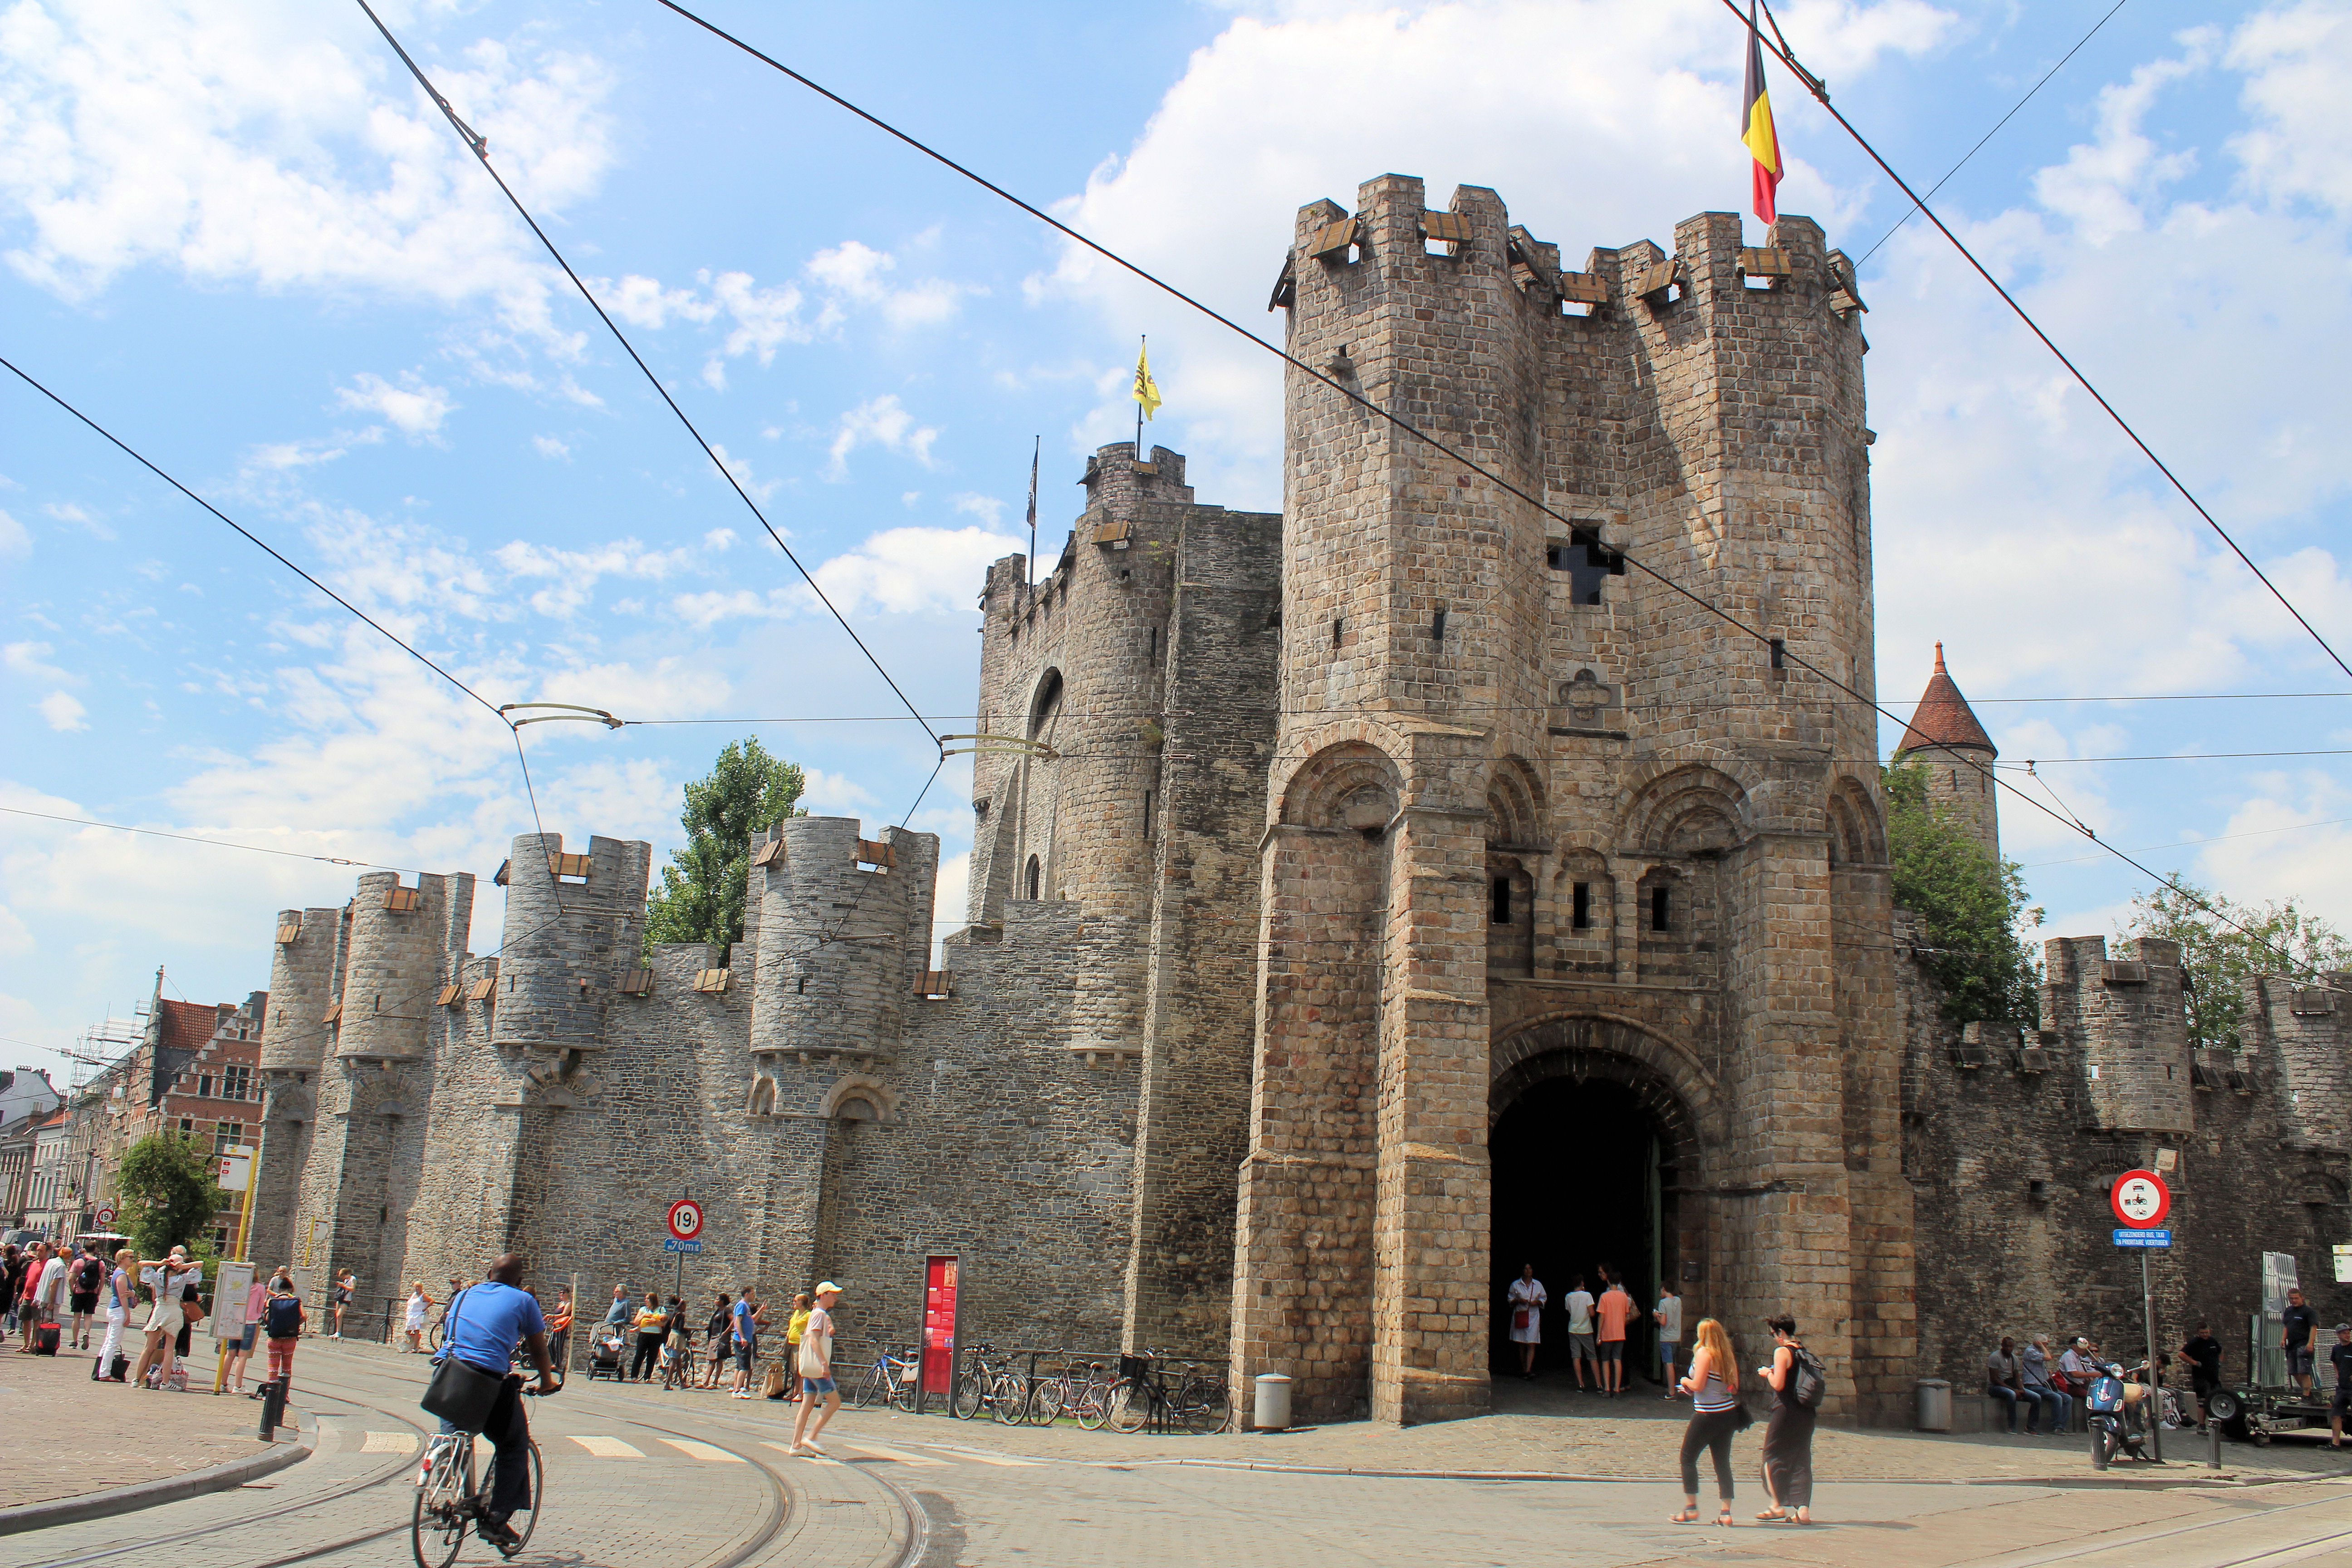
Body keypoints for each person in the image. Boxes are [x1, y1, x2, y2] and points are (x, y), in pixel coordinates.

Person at [431, 1254, 559, 1553]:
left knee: (456, 1435)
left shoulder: (463, 1295)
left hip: (448, 1374)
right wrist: (548, 1381)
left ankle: (448, 1481)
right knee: (514, 1443)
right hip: (487, 1379)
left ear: (489, 1273)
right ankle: (497, 1517)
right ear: (519, 1281)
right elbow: (539, 1351)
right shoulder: (523, 1300)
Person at [1669, 1317, 1743, 1527]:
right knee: (1722, 1463)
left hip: (1707, 1415)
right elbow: (1734, 1388)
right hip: (1728, 1414)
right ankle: (1726, 1513)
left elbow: (1698, 1385)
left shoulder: (1704, 1353)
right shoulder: (1727, 1355)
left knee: (1687, 1457)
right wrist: (1719, 1388)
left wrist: (1685, 1381)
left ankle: (1691, 1508)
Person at [1754, 1314, 1815, 1525]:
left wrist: (1767, 1373)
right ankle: (1803, 1510)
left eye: (1774, 1334)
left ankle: (1776, 1505)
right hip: (1806, 1412)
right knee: (1801, 1459)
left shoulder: (1782, 1351)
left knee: (1771, 1456)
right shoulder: (1803, 1351)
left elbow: (1779, 1384)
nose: (1774, 1339)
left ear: (1781, 1333)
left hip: (1786, 1411)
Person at [789, 1281, 845, 1454]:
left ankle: (796, 1445)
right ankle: (811, 1437)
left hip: (811, 1367)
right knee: (835, 1402)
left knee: (807, 1405)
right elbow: (813, 1339)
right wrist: (823, 1364)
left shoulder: (817, 1313)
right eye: (833, 1294)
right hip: (817, 1367)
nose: (836, 1298)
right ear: (824, 1295)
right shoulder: (819, 1314)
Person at [228, 1270, 270, 1394]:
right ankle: (238, 1386)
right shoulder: (260, 1288)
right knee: (242, 1356)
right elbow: (260, 1306)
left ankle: (223, 1383)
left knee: (230, 1353)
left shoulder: (238, 1285)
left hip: (235, 1320)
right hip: (250, 1322)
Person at [1595, 1271, 1635, 1397]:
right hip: (1620, 1333)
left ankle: (1607, 1388)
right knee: (1618, 1360)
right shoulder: (1624, 1297)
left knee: (1606, 1361)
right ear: (1619, 1283)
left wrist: (1599, 1334)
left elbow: (1602, 1317)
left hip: (1607, 1333)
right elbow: (1626, 1313)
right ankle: (1617, 1389)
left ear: (1608, 1281)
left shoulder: (1604, 1297)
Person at [261, 1274, 304, 1390]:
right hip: (290, 1338)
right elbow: (305, 1316)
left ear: (279, 1289)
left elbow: (266, 1317)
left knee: (273, 1367)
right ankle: (285, 1395)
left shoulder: (271, 1301)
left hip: (274, 1338)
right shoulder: (296, 1301)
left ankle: (271, 1393)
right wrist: (296, 1325)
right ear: (291, 1289)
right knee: (286, 1368)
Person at [96, 1248, 133, 1377]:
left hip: (114, 1309)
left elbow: (126, 1293)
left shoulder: (120, 1273)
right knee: (113, 1343)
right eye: (130, 1257)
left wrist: (132, 1293)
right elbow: (123, 1296)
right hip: (119, 1310)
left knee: (109, 1341)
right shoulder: (121, 1275)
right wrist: (127, 1314)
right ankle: (104, 1373)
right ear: (122, 1259)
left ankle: (99, 1370)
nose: (133, 1260)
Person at [2022, 1334, 2069, 1435]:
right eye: (2046, 1344)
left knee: (2067, 1398)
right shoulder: (2031, 1351)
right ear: (2040, 1343)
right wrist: (2043, 1347)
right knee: (2057, 1398)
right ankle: (2056, 1426)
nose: (2047, 1346)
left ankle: (2062, 1426)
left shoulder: (2038, 1352)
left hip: (2043, 1385)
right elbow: (2048, 1357)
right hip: (2033, 1385)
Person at [1986, 1336, 2034, 1435]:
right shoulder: (1995, 1357)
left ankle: (2031, 1427)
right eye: (2007, 1347)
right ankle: (2011, 1426)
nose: (2009, 1349)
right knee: (2011, 1395)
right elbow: (1994, 1379)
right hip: (1995, 1387)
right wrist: (2014, 1390)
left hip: (2010, 1385)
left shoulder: (2014, 1359)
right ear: (2002, 1346)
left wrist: (2021, 1389)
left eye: (2011, 1347)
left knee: (2036, 1397)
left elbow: (2016, 1376)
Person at [1507, 1264, 1546, 1381]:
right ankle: (1524, 1369)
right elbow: (1510, 1300)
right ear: (1522, 1270)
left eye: (1530, 1268)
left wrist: (1537, 1303)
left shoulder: (1538, 1285)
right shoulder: (1515, 1285)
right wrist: (1519, 1301)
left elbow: (1544, 1298)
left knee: (1531, 1343)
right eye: (1526, 1268)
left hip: (1533, 1317)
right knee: (1522, 1343)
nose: (1528, 1271)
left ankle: (1528, 1370)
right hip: (1521, 1315)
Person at [2181, 1321, 2223, 1430]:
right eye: (2203, 1333)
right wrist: (2195, 1363)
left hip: (2214, 1376)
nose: (2205, 1335)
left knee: (2218, 1399)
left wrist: (2219, 1363)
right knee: (2202, 1402)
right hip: (2201, 1377)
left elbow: (2221, 1351)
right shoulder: (2194, 1342)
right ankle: (2202, 1425)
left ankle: (2219, 1426)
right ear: (2198, 1333)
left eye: (2207, 1332)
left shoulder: (2213, 1341)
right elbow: (2181, 1354)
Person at [1563, 1275, 1597, 1392]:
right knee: (1592, 1357)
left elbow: (1569, 1310)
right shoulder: (1587, 1295)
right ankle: (1599, 1384)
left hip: (1573, 1329)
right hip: (1586, 1329)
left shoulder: (1568, 1297)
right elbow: (1592, 1313)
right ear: (1582, 1283)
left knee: (1576, 1357)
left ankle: (1581, 1384)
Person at [69, 1243, 104, 1350]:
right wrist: (98, 1293)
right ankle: (86, 1332)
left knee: (77, 1316)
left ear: (85, 1249)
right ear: (95, 1250)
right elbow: (102, 1281)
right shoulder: (100, 1263)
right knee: (88, 1316)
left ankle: (74, 1341)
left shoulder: (78, 1262)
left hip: (79, 1292)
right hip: (92, 1292)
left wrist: (73, 1289)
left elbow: (71, 1278)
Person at [2284, 1287, 2319, 1395]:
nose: (2294, 1300)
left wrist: (2310, 1343)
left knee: (2304, 1371)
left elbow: (2314, 1327)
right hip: (2291, 1345)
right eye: (2291, 1299)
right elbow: (2286, 1326)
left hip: (2303, 1344)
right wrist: (2283, 1339)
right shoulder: (2288, 1311)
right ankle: (2308, 1393)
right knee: (2293, 1371)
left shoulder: (2308, 1311)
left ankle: (2306, 1395)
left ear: (2302, 1298)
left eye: (2296, 1298)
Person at [729, 1284, 762, 1398]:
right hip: (742, 1340)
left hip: (746, 1339)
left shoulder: (746, 1307)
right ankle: (737, 1391)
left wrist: (761, 1310)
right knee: (744, 1366)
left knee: (740, 1366)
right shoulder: (742, 1305)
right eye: (753, 1294)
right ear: (747, 1294)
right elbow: (737, 1321)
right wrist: (742, 1336)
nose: (754, 1296)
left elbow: (752, 1320)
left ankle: (736, 1388)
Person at [629, 1291, 667, 1382]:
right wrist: (644, 1315)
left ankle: (647, 1377)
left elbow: (663, 1323)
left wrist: (654, 1322)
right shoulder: (643, 1310)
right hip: (644, 1335)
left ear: (653, 1300)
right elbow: (636, 1322)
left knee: (652, 1356)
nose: (646, 1300)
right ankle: (634, 1376)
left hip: (656, 1336)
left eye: (648, 1299)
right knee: (639, 1355)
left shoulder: (661, 1309)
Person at [1656, 1283, 1685, 1398]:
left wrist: (1656, 1315)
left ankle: (1671, 1392)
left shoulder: (1663, 1303)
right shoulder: (1678, 1301)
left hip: (1666, 1337)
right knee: (1673, 1362)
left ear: (1664, 1289)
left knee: (1669, 1364)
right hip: (1676, 1337)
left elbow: (1663, 1322)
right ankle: (1673, 1389)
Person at [784, 1292, 813, 1402]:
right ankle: (795, 1391)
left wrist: (805, 1332)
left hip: (801, 1344)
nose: (794, 1302)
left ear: (802, 1303)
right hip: (791, 1342)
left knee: (800, 1369)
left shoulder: (808, 1315)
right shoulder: (796, 1313)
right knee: (794, 1370)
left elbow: (812, 1327)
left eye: (796, 1301)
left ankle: (800, 1393)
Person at [701, 1293, 734, 1389]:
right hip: (714, 1336)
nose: (715, 1301)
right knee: (713, 1360)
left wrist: (726, 1332)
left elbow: (733, 1320)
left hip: (719, 1337)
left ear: (722, 1301)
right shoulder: (718, 1311)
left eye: (717, 1299)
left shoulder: (726, 1310)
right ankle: (707, 1382)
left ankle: (712, 1382)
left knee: (716, 1360)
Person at [2328, 1323, 2352, 1449]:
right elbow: (2335, 1362)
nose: (2347, 1335)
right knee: (2336, 1415)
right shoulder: (2336, 1349)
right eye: (2344, 1333)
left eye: (2348, 1333)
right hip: (2342, 1388)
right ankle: (2335, 1443)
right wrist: (2337, 1374)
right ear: (2338, 1335)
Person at [545, 1285, 574, 1373]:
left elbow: (564, 1314)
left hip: (562, 1326)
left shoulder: (569, 1303)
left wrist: (552, 1316)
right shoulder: (561, 1303)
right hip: (556, 1325)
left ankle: (558, 1364)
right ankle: (555, 1362)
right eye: (560, 1293)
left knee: (558, 1345)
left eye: (563, 1293)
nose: (561, 1294)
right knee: (550, 1344)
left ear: (568, 1294)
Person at [404, 1282, 433, 1352]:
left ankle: (415, 1348)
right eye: (416, 1287)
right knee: (408, 1331)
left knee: (416, 1331)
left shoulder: (423, 1295)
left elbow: (432, 1301)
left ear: (421, 1287)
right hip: (411, 1315)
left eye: (418, 1287)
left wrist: (425, 1308)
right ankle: (412, 1345)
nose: (417, 1288)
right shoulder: (414, 1294)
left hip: (417, 1315)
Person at [331, 1270, 355, 1339]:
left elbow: (353, 1289)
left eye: (343, 1276)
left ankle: (338, 1332)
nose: (343, 1278)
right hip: (341, 1298)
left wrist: (343, 1286)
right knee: (337, 1316)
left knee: (339, 1315)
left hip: (347, 1300)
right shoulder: (346, 1280)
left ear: (347, 1274)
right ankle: (337, 1332)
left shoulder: (353, 1279)